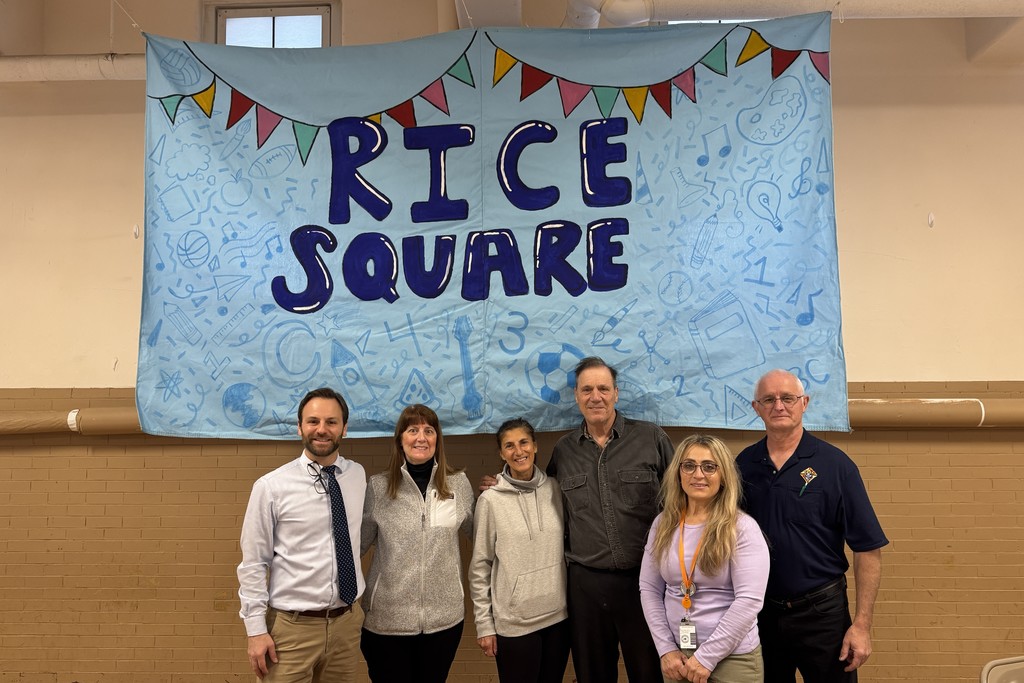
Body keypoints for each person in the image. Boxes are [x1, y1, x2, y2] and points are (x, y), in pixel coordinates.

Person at [737, 369, 888, 683]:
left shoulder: (836, 466)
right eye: (769, 399)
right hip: (760, 615)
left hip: (822, 615)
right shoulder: (743, 466)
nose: (779, 406)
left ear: (804, 403)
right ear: (756, 408)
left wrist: (861, 626)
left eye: (788, 398)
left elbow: (868, 549)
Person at [549, 356, 673, 682]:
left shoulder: (651, 439)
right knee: (593, 674)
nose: (596, 397)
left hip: (644, 582)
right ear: (576, 396)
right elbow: (539, 498)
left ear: (616, 393)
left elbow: (682, 501)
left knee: (649, 672)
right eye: (587, 389)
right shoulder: (563, 452)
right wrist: (501, 480)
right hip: (585, 586)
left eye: (603, 388)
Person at [237, 387, 365, 681]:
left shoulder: (356, 475)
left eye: (331, 422)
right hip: (291, 631)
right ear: (299, 427)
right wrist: (255, 630)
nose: (322, 429)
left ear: (344, 428)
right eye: (313, 421)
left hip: (346, 625)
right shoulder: (271, 487)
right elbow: (254, 562)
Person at [639, 434, 770, 683]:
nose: (698, 475)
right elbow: (649, 589)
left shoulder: (742, 528)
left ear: (723, 477)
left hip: (732, 658)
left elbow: (749, 601)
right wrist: (665, 648)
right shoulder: (663, 524)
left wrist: (706, 658)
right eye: (689, 465)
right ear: (678, 473)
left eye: (709, 467)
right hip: (678, 657)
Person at [359, 403, 475, 683]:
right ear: (401, 440)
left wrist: (499, 494)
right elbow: (356, 548)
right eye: (413, 430)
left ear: (437, 439)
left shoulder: (457, 485)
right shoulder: (378, 488)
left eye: (429, 430)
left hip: (443, 622)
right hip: (386, 624)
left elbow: (482, 536)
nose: (421, 437)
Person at [469, 418, 571, 683]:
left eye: (524, 442)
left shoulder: (555, 489)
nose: (519, 451)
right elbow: (480, 566)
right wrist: (484, 624)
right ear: (502, 453)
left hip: (558, 617)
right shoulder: (490, 500)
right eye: (509, 446)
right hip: (514, 624)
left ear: (535, 446)